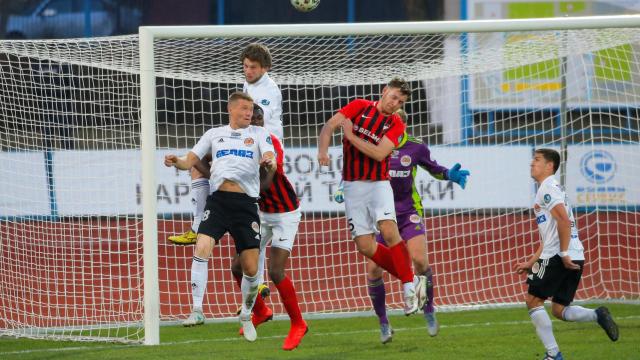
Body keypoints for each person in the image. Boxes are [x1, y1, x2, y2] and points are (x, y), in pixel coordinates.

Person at [335, 109, 470, 343]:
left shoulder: (416, 146)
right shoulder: (373, 145)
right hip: (380, 215)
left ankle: (427, 309)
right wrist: (341, 187)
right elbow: (355, 168)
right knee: (374, 270)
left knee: (419, 261)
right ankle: (384, 323)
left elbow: (433, 167)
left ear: (403, 126)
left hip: (408, 213)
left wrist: (450, 174)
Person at [164, 92, 276, 342]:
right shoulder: (214, 134)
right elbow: (190, 161)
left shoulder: (259, 134)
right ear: (232, 110)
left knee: (250, 267)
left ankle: (247, 314)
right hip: (218, 202)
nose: (249, 113)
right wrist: (176, 162)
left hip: (246, 205)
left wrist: (269, 160)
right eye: (245, 109)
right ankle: (196, 310)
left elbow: (271, 158)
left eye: (251, 110)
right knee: (202, 246)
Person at [317, 78, 427, 316]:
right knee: (366, 246)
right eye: (394, 97)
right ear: (384, 91)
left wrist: (352, 136)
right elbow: (329, 126)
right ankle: (411, 278)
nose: (395, 103)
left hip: (379, 183)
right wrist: (323, 151)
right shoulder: (359, 106)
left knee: (388, 230)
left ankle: (408, 288)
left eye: (401, 101)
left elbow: (379, 154)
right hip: (352, 186)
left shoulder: (397, 123)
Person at [168, 42, 283, 245]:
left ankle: (200, 225)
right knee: (197, 160)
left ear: (265, 68)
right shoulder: (251, 84)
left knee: (202, 162)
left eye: (253, 67)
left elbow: (257, 119)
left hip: (267, 147)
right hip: (249, 141)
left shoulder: (268, 90)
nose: (248, 71)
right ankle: (200, 224)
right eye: (245, 66)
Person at [514, 148, 619, 360]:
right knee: (559, 309)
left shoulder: (547, 188)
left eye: (537, 160)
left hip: (559, 255)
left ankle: (553, 355)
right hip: (575, 253)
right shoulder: (553, 188)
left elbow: (563, 220)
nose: (531, 163)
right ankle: (597, 315)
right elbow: (549, 235)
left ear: (549, 166)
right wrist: (532, 261)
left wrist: (562, 253)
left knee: (533, 301)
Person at [230, 103, 307, 350]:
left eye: (259, 117)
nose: (256, 122)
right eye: (252, 118)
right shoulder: (236, 142)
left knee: (275, 272)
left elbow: (266, 180)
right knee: (238, 266)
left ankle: (298, 324)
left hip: (285, 213)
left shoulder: (272, 142)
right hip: (261, 213)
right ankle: (261, 312)